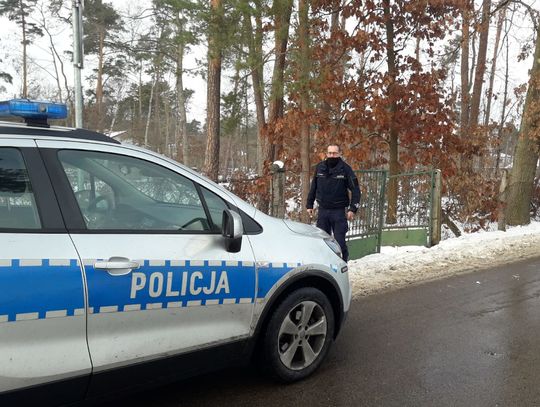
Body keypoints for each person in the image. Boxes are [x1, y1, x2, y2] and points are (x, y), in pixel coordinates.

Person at [306, 144, 361, 262]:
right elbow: (313, 187)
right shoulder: (320, 168)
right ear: (326, 154)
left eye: (335, 153)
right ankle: (324, 265)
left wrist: (352, 209)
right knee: (322, 242)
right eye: (330, 153)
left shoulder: (346, 169)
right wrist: (309, 204)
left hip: (339, 212)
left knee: (339, 241)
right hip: (323, 211)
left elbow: (356, 190)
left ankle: (343, 264)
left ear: (339, 154)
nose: (332, 155)